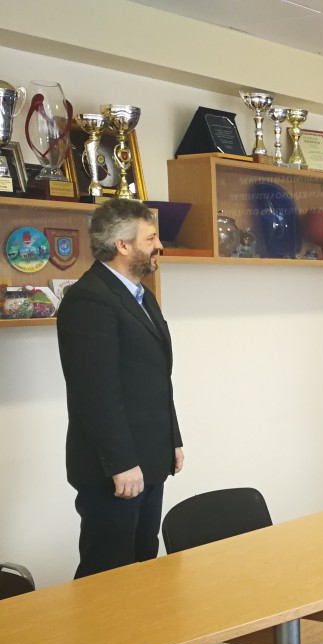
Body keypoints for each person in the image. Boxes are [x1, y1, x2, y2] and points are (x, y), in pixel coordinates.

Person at [57, 199, 184, 580]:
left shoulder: (143, 296)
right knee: (107, 577)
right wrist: (121, 464)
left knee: (143, 568)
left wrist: (173, 440)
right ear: (122, 245)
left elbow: (156, 378)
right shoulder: (89, 299)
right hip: (114, 471)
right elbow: (95, 393)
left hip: (150, 460)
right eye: (151, 238)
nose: (159, 245)